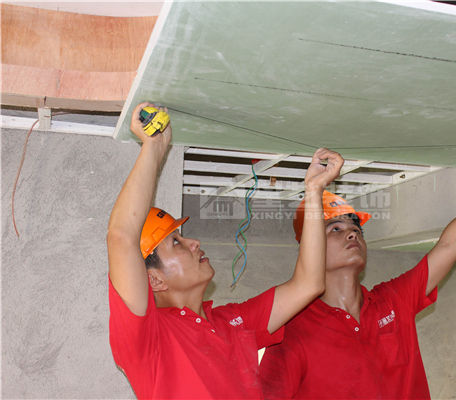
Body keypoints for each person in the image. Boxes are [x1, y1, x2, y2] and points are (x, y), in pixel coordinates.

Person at [106, 101, 344, 399]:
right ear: (154, 279)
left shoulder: (232, 322)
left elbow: (310, 284)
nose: (194, 243)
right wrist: (153, 148)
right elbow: (121, 237)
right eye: (176, 242)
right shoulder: (148, 336)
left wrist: (314, 191)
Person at [259, 145, 456, 399]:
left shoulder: (391, 301)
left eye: (356, 229)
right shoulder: (291, 333)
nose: (353, 234)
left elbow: (451, 245)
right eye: (336, 229)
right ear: (311, 245)